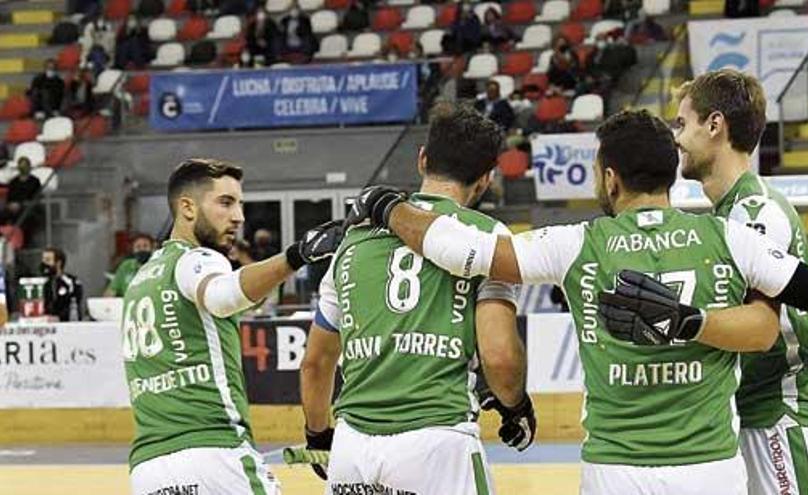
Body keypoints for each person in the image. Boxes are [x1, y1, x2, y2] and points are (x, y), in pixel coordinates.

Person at [350, 109, 808, 495]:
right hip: (711, 469)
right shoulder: (730, 238)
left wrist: (387, 206)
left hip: (614, 471)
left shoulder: (577, 243)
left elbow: (469, 251)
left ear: (610, 177)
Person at [300, 103, 534, 495]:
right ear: (485, 179)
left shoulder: (352, 242)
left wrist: (318, 435)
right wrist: (516, 407)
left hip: (353, 449)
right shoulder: (487, 236)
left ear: (422, 159)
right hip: (438, 443)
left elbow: (315, 364)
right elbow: (499, 357)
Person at [673, 69, 808, 495]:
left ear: (715, 125)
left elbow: (760, 325)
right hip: (757, 414)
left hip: (782, 414)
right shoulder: (730, 213)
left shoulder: (753, 213)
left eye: (683, 123)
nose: (677, 137)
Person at [124, 158, 343, 494]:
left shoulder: (142, 278)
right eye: (225, 203)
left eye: (239, 204)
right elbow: (222, 295)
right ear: (187, 208)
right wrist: (297, 255)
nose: (239, 216)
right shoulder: (196, 258)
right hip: (214, 456)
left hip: (149, 468)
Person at [41, 247, 84, 322]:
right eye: (43, 260)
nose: (44, 263)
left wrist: (59, 318)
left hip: (67, 324)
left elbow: (74, 305)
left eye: (47, 260)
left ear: (58, 263)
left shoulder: (71, 282)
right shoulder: (42, 283)